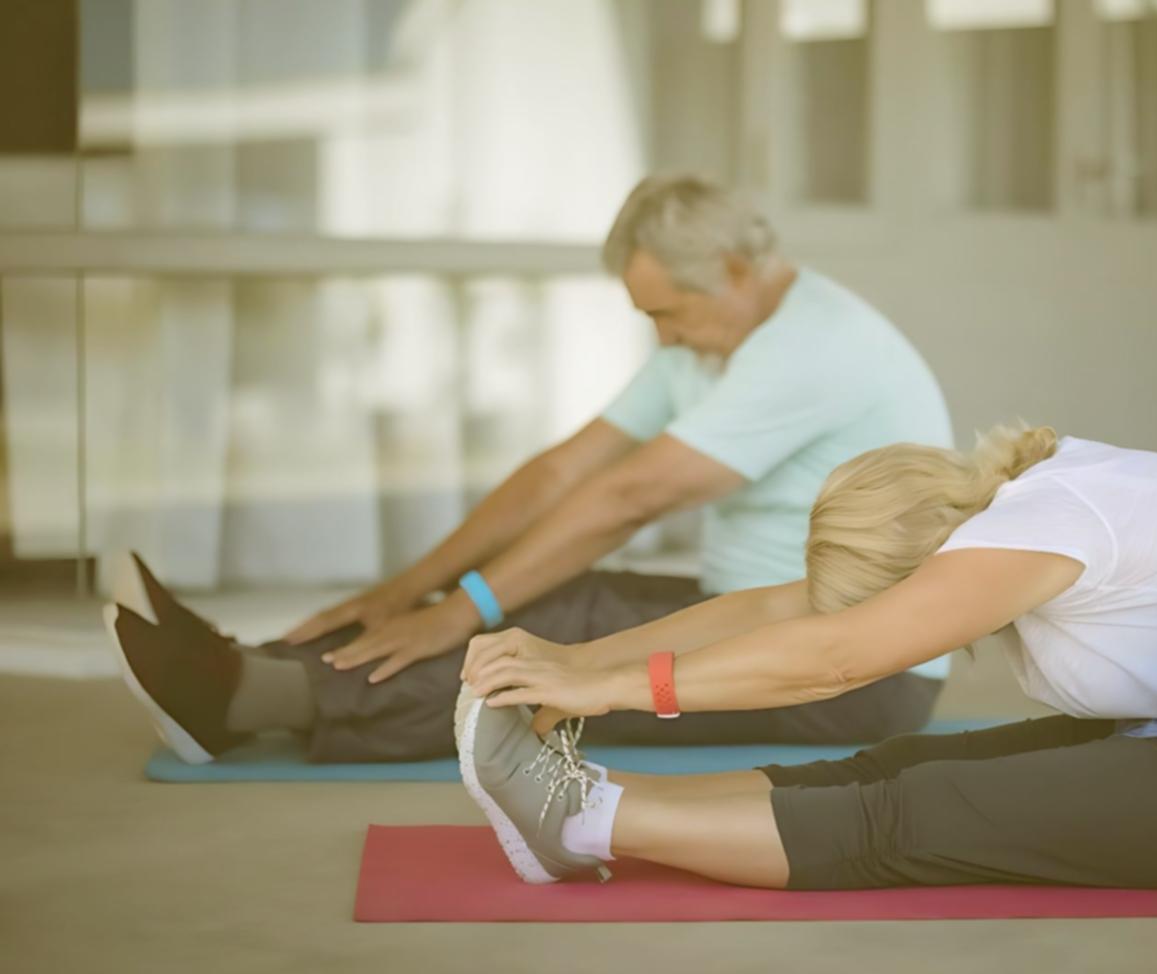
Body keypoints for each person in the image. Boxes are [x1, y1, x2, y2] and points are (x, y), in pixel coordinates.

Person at [105, 174, 953, 765]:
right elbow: (561, 472)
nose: (659, 335)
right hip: (757, 616)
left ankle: (251, 701)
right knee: (532, 595)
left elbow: (627, 497)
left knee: (560, 613)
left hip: (858, 671)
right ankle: (259, 662)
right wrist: (409, 589)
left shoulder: (812, 346)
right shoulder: (712, 333)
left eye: (667, 312)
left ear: (734, 271)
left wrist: (464, 608)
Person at [454, 426, 1157, 890]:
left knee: (917, 817)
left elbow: (833, 657)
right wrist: (571, 659)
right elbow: (776, 608)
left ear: (921, 573)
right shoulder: (1016, 495)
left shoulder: (1041, 529)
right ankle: (594, 786)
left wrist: (607, 687)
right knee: (904, 762)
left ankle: (582, 821)